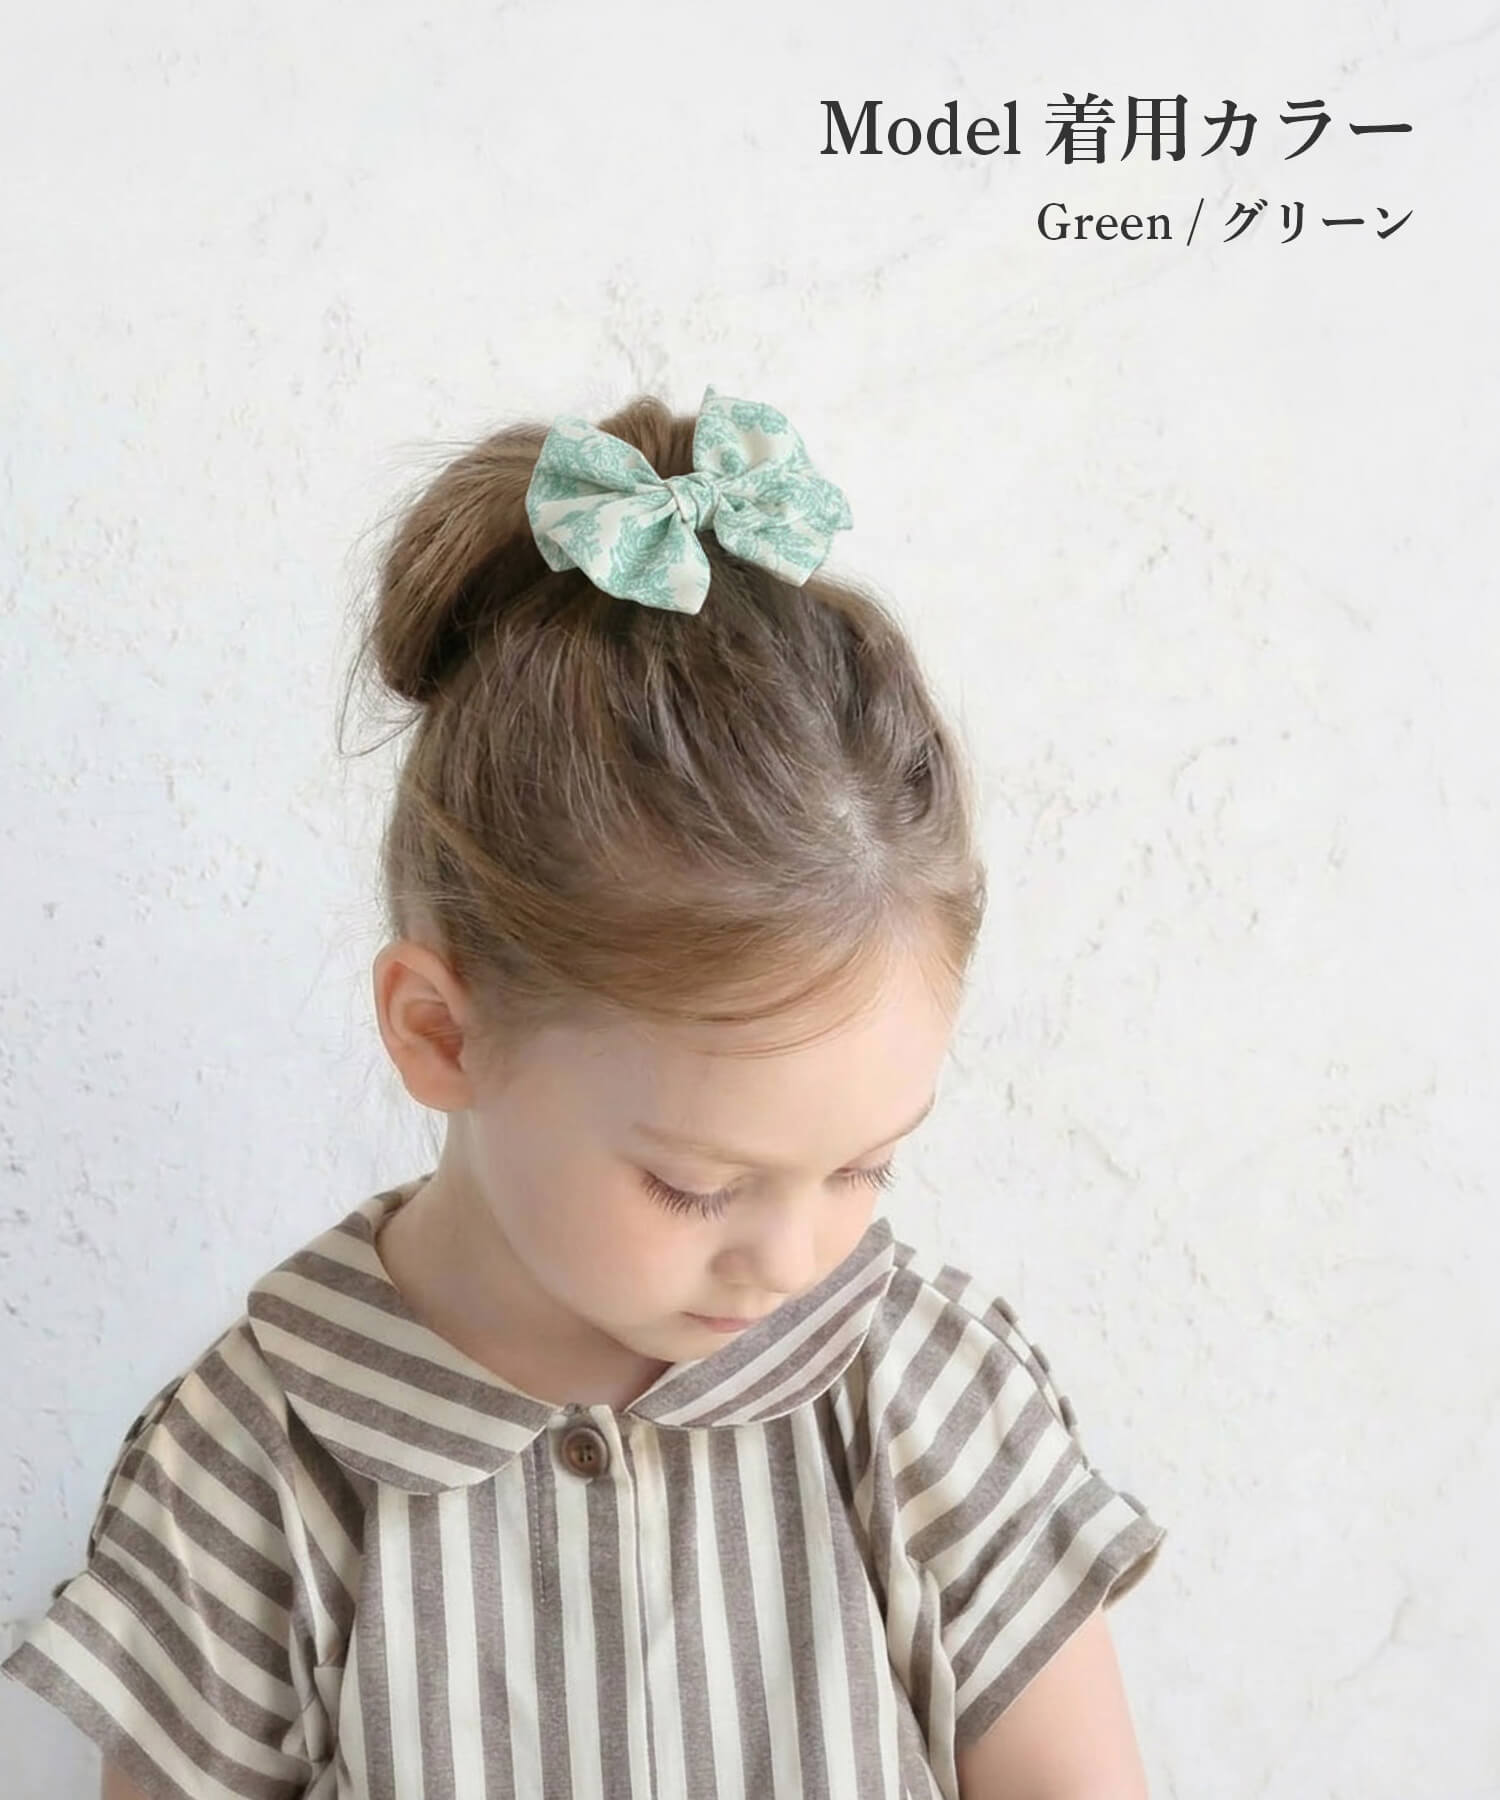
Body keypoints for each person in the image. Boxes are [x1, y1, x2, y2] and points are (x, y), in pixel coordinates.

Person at [4, 384, 1167, 1799]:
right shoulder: (260, 1466)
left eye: (866, 1168)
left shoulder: (924, 1395)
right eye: (697, 1185)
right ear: (442, 1035)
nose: (793, 1258)